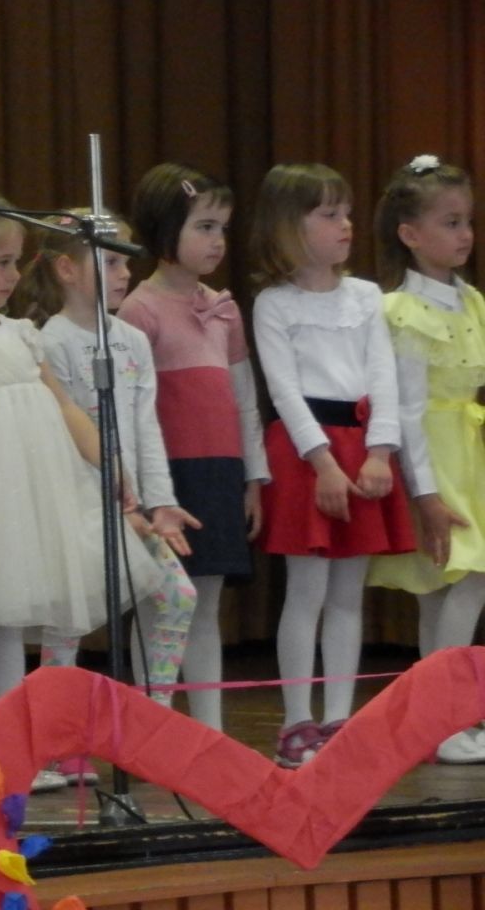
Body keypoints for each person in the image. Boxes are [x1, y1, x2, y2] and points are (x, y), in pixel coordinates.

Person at [0, 191, 165, 760]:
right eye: (1, 263)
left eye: (15, 262)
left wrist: (110, 464)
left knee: (8, 629)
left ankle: (10, 754)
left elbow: (65, 406)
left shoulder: (20, 330)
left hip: (29, 501)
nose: (14, 275)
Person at [15, 211, 200, 790]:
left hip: (131, 506)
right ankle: (56, 742)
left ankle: (150, 729)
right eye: (112, 261)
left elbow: (145, 427)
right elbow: (64, 434)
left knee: (177, 596)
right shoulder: (51, 342)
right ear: (67, 269)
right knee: (67, 623)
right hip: (79, 503)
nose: (125, 273)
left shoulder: (132, 341)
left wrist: (158, 503)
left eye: (126, 262)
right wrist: (112, 504)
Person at [250, 163, 416, 768]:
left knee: (349, 594)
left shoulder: (366, 296)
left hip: (362, 449)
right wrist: (321, 462)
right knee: (307, 591)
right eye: (329, 214)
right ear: (290, 226)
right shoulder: (273, 304)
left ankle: (341, 719)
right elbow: (284, 391)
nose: (346, 224)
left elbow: (384, 377)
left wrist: (380, 453)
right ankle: (298, 722)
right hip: (307, 455)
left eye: (346, 213)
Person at [118, 164, 269, 733]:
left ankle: (209, 734)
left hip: (218, 472)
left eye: (222, 228)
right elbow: (133, 412)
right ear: (165, 230)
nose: (218, 241)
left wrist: (252, 477)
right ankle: (151, 729)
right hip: (167, 478)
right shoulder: (139, 309)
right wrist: (138, 493)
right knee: (160, 605)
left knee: (205, 607)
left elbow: (244, 400)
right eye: (204, 227)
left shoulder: (224, 308)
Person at [366, 155, 485, 763]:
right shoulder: (403, 311)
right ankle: (444, 719)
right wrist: (426, 493)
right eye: (450, 222)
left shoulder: (473, 302)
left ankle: (433, 721)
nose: (465, 234)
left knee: (445, 587)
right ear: (410, 234)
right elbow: (408, 409)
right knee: (466, 574)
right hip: (431, 459)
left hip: (469, 451)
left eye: (468, 221)